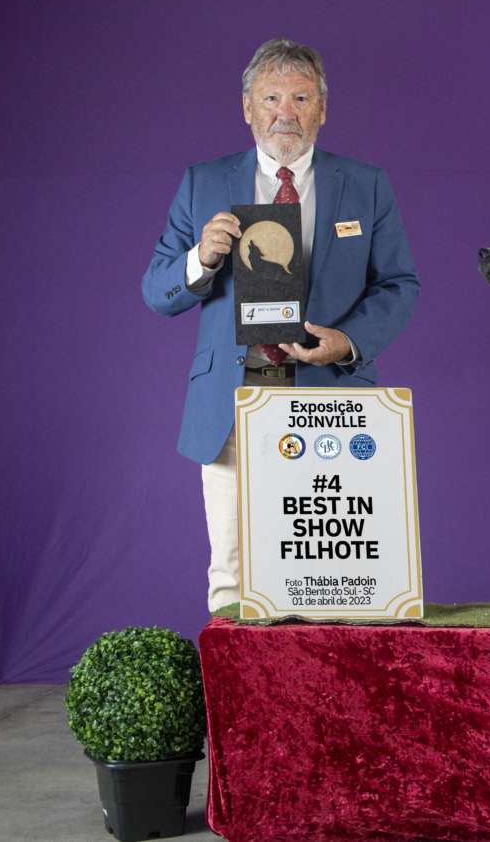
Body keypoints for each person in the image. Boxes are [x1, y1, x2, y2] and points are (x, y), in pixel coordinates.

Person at [143, 38, 419, 612]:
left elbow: (400, 285)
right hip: (232, 401)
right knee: (233, 572)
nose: (285, 112)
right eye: (270, 97)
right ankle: (240, 700)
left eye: (300, 96)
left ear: (322, 108)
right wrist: (202, 259)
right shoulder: (203, 182)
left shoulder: (366, 185)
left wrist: (348, 342)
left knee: (332, 574)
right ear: (246, 107)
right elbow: (156, 291)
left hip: (332, 395)